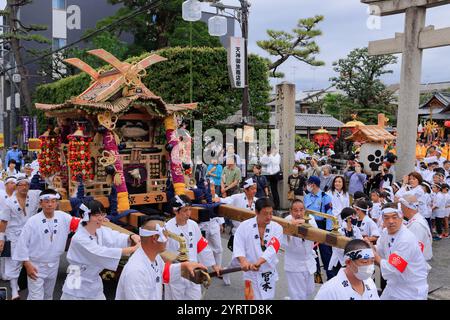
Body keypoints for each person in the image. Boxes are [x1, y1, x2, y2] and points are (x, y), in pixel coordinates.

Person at [61, 200, 140, 300]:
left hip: (94, 283)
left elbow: (115, 237)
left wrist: (131, 237)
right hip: (76, 283)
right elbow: (99, 252)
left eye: (102, 214)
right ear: (85, 216)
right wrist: (132, 249)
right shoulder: (79, 238)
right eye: (96, 215)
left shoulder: (99, 230)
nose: (101, 218)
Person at [12, 189, 82, 300]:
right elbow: (22, 244)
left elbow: (81, 225)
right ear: (40, 203)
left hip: (54, 263)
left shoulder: (63, 217)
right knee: (36, 297)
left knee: (48, 295)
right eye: (46, 201)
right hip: (36, 265)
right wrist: (27, 264)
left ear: (56, 203)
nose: (50, 204)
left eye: (53, 201)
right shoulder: (32, 221)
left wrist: (96, 220)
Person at [115, 217, 207, 300]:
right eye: (166, 235)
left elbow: (163, 272)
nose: (168, 239)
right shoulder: (136, 271)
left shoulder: (153, 257)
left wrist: (184, 265)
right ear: (154, 238)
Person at [164, 195, 219, 300]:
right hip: (176, 273)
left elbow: (201, 246)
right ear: (175, 211)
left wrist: (213, 265)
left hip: (194, 272)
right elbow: (162, 254)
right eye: (185, 210)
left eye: (190, 209)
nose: (188, 213)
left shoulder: (193, 225)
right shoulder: (167, 228)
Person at [373, 203, 429, 300]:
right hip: (394, 285)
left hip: (411, 290)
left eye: (394, 217)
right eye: (386, 218)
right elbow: (380, 249)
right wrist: (369, 247)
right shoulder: (385, 233)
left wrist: (375, 257)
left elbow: (393, 268)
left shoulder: (406, 239)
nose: (391, 221)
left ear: (401, 217)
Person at [232, 198, 283, 300]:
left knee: (267, 298)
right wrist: (243, 261)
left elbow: (272, 248)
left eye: (271, 213)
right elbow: (238, 246)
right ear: (256, 212)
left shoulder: (277, 228)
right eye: (265, 213)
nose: (269, 217)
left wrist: (258, 262)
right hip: (250, 273)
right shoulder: (244, 226)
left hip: (267, 272)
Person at [0, 176, 41, 300]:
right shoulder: (9, 202)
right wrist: (1, 239)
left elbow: (49, 193)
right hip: (14, 235)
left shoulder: (34, 196)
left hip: (31, 234)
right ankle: (14, 291)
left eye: (26, 185)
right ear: (16, 187)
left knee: (33, 259)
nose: (24, 187)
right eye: (21, 185)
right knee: (13, 261)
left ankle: (35, 288)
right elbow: (3, 221)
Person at [220, 177, 258, 286]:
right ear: (245, 190)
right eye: (252, 189)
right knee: (238, 258)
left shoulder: (257, 201)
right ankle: (227, 271)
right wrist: (217, 199)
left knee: (252, 257)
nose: (255, 191)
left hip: (253, 233)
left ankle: (251, 280)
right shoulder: (238, 198)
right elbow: (226, 200)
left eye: (255, 189)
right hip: (239, 233)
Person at [315, 239, 379, 300]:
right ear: (348, 262)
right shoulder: (330, 290)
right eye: (364, 262)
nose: (369, 266)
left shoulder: (369, 282)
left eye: (372, 261)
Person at [282, 200, 317, 300]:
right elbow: (284, 242)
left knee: (309, 291)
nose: (299, 213)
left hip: (308, 261)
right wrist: (292, 227)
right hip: (294, 263)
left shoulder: (311, 219)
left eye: (301, 210)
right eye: (295, 210)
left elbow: (316, 235)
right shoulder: (286, 220)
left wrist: (304, 224)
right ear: (290, 211)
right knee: (297, 295)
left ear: (304, 210)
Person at [303, 176, 333, 280]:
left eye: (308, 184)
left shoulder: (325, 197)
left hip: (321, 226)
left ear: (313, 184)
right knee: (311, 251)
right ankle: (315, 275)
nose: (307, 186)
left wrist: (329, 230)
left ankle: (331, 276)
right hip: (309, 225)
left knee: (326, 252)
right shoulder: (307, 196)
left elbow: (329, 214)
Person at [328, 208, 363, 277]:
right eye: (354, 216)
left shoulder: (355, 229)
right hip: (340, 262)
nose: (356, 218)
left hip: (352, 260)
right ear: (348, 218)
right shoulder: (338, 231)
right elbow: (338, 249)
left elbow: (360, 242)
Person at [400, 194, 433, 261]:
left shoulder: (416, 225)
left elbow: (415, 250)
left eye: (401, 207)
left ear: (407, 207)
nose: (401, 209)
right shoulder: (416, 219)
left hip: (417, 265)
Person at [0, 176, 16, 281]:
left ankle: (6, 273)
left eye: (15, 183)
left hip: (13, 226)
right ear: (6, 184)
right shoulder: (1, 194)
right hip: (1, 223)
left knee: (9, 250)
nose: (13, 185)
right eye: (11, 183)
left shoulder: (16, 195)